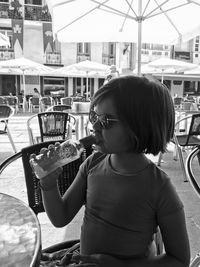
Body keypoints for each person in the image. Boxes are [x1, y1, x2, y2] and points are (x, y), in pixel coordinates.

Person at [37, 76, 190, 267]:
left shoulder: (159, 187)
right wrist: (49, 184)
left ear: (140, 126)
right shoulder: (93, 164)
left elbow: (179, 260)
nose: (95, 126)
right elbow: (61, 217)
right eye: (94, 116)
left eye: (106, 121)